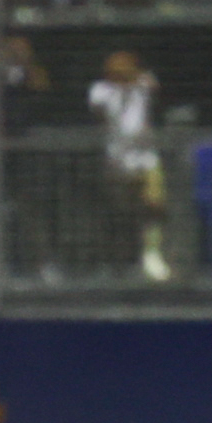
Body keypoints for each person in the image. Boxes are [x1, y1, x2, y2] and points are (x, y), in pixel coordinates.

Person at [90, 41, 164, 279]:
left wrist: (133, 81)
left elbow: (153, 86)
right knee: (121, 214)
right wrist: (120, 87)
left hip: (147, 158)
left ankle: (152, 255)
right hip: (118, 162)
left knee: (154, 206)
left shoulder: (143, 83)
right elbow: (97, 109)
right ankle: (117, 264)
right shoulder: (100, 90)